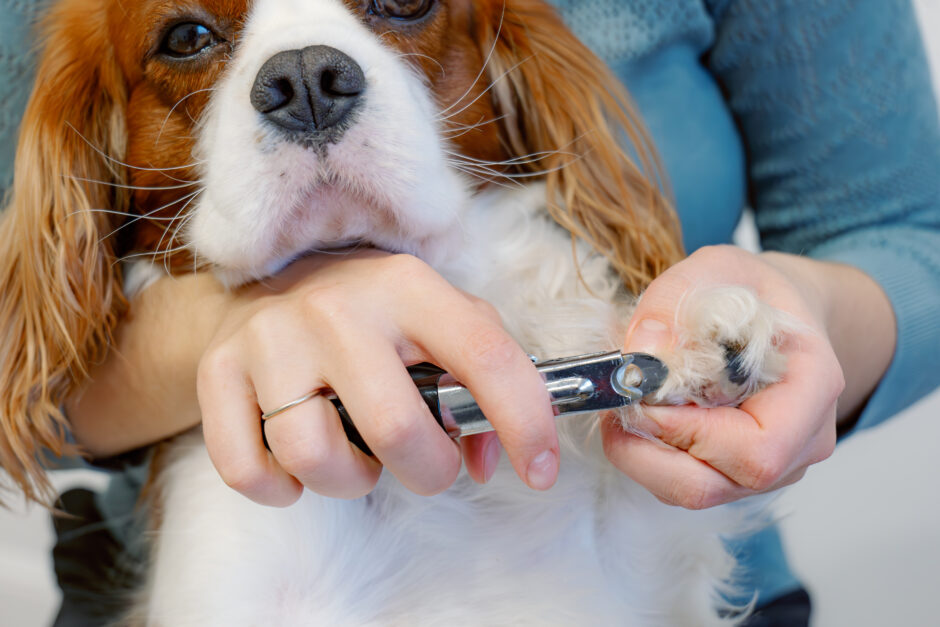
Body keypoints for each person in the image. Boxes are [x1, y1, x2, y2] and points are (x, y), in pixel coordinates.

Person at [1, 0, 938, 625]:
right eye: (191, 38)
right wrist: (223, 328)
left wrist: (803, 306)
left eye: (402, 0)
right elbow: (29, 365)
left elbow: (910, 230)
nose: (305, 77)